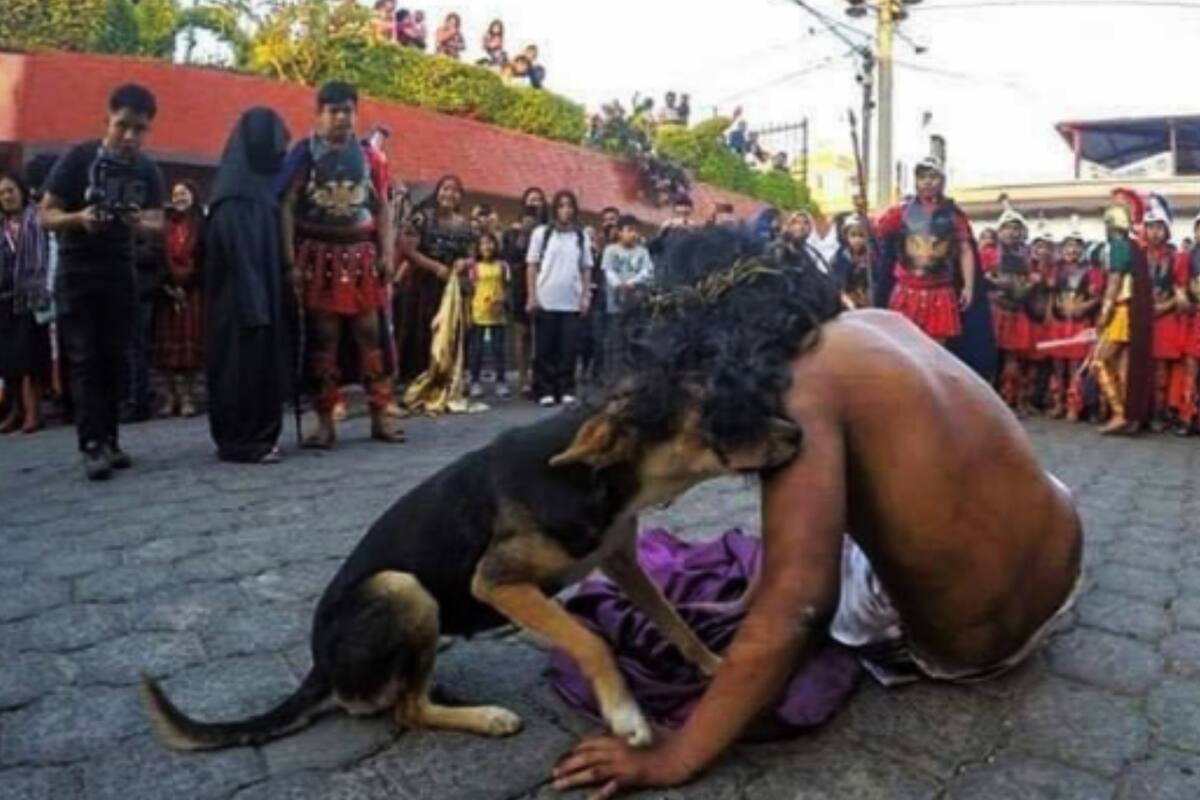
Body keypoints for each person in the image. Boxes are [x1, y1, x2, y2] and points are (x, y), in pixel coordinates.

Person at [552, 226, 1082, 797]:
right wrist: (752, 594)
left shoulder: (800, 390)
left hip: (975, 646)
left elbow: (799, 606)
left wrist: (678, 755)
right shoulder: (878, 321)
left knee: (806, 562)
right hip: (1064, 559)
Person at [40, 83, 165, 480]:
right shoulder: (77, 159)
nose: (129, 137)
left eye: (139, 129)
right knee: (84, 358)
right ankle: (90, 443)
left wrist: (136, 223)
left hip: (119, 269)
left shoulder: (147, 169)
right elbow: (46, 214)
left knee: (115, 357)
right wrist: (79, 219)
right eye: (122, 126)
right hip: (76, 270)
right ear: (106, 121)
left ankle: (110, 439)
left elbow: (158, 221)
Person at [279, 81, 403, 448]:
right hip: (318, 255)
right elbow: (286, 204)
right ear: (319, 114)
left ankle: (380, 415)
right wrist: (290, 261)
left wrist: (386, 251)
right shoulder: (303, 154)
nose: (340, 118)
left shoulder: (370, 158)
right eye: (333, 111)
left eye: (347, 111)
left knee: (370, 334)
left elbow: (382, 206)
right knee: (324, 338)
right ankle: (325, 422)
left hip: (361, 254)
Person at [206, 108, 293, 464]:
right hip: (243, 306)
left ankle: (258, 436)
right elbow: (239, 255)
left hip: (257, 300)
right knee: (239, 370)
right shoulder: (236, 198)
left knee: (255, 369)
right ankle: (243, 441)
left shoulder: (252, 189)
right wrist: (256, 305)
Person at [874, 156, 976, 345]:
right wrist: (862, 212)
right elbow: (875, 233)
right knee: (902, 347)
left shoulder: (954, 214)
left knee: (937, 351)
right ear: (916, 181)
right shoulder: (900, 212)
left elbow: (965, 249)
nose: (928, 182)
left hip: (939, 291)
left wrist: (969, 286)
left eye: (933, 176)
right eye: (922, 177)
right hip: (907, 290)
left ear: (942, 181)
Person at [395, 174, 472, 383]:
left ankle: (442, 381)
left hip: (451, 288)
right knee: (419, 332)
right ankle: (414, 382)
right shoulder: (422, 218)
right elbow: (407, 250)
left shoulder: (465, 224)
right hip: (421, 285)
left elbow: (471, 254)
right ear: (438, 193)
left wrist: (465, 262)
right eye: (445, 189)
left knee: (447, 332)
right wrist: (434, 266)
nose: (450, 194)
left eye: (455, 190)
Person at [1091, 197, 1153, 435]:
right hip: (1130, 311)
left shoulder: (1119, 245)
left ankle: (1120, 413)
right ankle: (1131, 415)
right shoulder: (1134, 246)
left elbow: (1115, 281)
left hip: (1121, 311)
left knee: (1099, 361)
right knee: (1123, 366)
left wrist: (1104, 314)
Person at [526, 190, 593, 406]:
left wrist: (585, 297)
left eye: (569, 205)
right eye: (561, 205)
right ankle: (544, 389)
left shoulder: (581, 237)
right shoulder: (541, 233)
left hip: (571, 301)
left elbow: (586, 268)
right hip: (546, 298)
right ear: (554, 209)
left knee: (568, 349)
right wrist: (531, 296)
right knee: (545, 348)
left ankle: (565, 388)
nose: (566, 210)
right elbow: (532, 265)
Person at [0, 172, 52, 435]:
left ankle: (34, 412)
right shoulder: (1, 225)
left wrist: (46, 289)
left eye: (10, 190)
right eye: (2, 193)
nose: (7, 197)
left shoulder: (37, 219)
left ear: (21, 190)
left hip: (32, 297)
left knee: (30, 357)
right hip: (4, 299)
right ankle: (15, 412)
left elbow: (49, 255)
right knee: (8, 361)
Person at [154, 181, 205, 418]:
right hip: (167, 293)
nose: (179, 198)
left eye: (183, 193)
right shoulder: (165, 225)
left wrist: (187, 284)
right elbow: (157, 255)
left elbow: (205, 257)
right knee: (166, 348)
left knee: (190, 347)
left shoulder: (202, 225)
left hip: (193, 292)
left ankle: (188, 397)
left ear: (193, 195)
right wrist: (169, 285)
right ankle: (170, 396)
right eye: (175, 194)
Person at [1046, 232, 1103, 421]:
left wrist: (1083, 307)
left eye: (1076, 246)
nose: (1072, 250)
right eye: (1068, 246)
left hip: (1080, 324)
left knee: (1075, 366)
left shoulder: (1091, 271)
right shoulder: (1057, 270)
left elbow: (1097, 296)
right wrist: (1052, 311)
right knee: (1057, 366)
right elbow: (1051, 294)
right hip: (1059, 323)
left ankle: (1074, 405)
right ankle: (1058, 403)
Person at [1142, 198, 1186, 431]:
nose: (1155, 232)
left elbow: (1181, 290)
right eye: (1151, 227)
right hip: (1141, 320)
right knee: (1141, 367)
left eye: (1160, 227)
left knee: (1161, 371)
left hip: (1166, 320)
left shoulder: (1176, 257)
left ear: (1167, 230)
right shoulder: (1138, 256)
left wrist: (1164, 307)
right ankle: (1143, 411)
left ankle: (1161, 413)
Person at [986, 209, 1036, 414]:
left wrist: (1026, 287)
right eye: (1007, 228)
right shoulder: (988, 252)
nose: (1012, 232)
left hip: (1017, 310)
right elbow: (979, 279)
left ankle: (1010, 400)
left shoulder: (1027, 256)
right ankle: (987, 399)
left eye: (1016, 228)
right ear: (1000, 231)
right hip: (994, 310)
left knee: (1013, 358)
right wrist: (995, 284)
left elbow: (1030, 282)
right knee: (990, 356)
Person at [599, 214, 652, 377]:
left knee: (635, 339)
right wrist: (619, 285)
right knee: (616, 341)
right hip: (615, 306)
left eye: (636, 231)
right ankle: (613, 376)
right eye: (629, 230)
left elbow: (647, 271)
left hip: (637, 304)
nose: (633, 234)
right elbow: (608, 271)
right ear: (620, 232)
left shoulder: (642, 252)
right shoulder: (610, 250)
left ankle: (634, 375)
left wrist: (632, 282)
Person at [503, 197, 542, 395]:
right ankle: (523, 377)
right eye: (526, 217)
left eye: (533, 218)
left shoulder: (544, 237)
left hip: (540, 287)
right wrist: (521, 237)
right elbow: (507, 259)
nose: (529, 221)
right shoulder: (511, 235)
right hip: (518, 289)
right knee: (522, 334)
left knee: (538, 336)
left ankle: (537, 376)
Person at [465, 231, 510, 398]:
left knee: (498, 349)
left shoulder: (503, 266)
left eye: (490, 243)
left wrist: (502, 301)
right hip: (478, 311)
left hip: (498, 312)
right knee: (476, 348)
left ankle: (501, 381)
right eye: (483, 243)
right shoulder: (474, 267)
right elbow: (470, 289)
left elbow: (506, 286)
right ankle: (475, 381)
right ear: (478, 247)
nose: (487, 246)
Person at [1177, 214, 1200, 435]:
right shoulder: (1187, 257)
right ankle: (1187, 417)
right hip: (1196, 319)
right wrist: (1182, 293)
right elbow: (1180, 284)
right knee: (1191, 372)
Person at [829, 214, 873, 309]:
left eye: (861, 235)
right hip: (846, 303)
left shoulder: (872, 257)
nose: (857, 240)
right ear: (846, 237)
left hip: (867, 302)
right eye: (853, 235)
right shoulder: (839, 257)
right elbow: (836, 282)